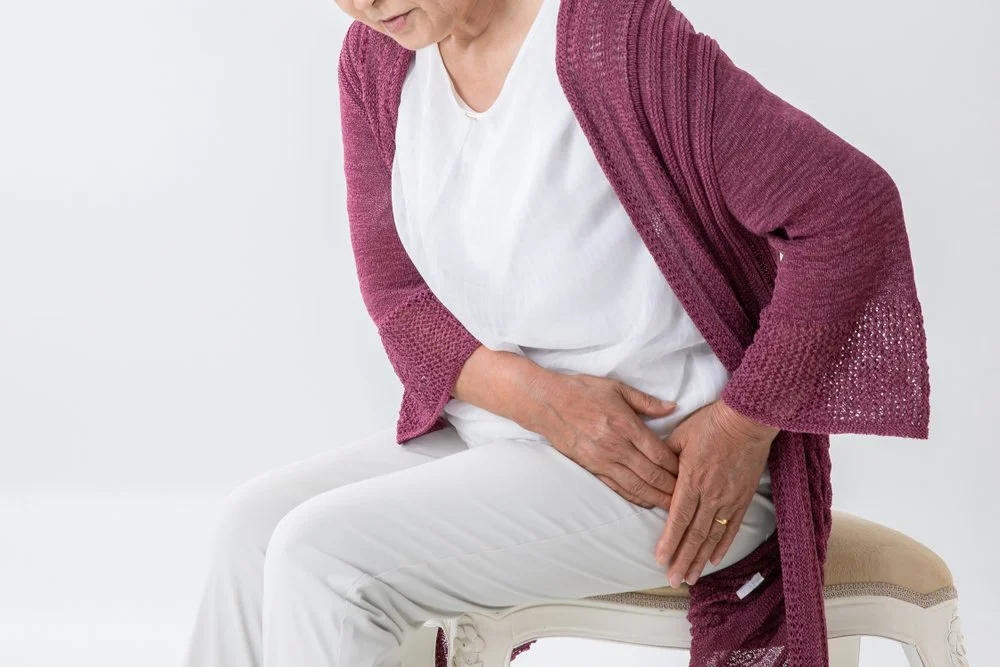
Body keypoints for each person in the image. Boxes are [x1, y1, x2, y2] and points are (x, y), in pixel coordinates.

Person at [180, 0, 930, 665]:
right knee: (248, 530)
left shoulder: (614, 37)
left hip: (665, 471)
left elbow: (850, 211)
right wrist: (549, 405)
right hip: (506, 433)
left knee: (324, 556)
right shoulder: (379, 62)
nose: (365, 4)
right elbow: (398, 295)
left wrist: (741, 429)